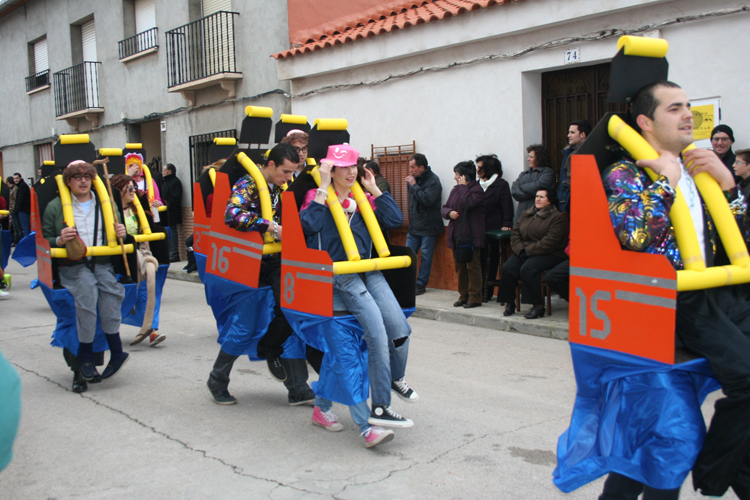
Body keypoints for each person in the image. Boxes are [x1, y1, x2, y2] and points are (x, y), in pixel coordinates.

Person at [600, 81, 750, 500]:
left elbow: (736, 240)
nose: (687, 113)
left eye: (688, 105)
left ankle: (718, 467)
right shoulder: (625, 172)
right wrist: (665, 182)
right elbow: (635, 237)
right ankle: (712, 470)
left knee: (654, 444)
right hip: (665, 307)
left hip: (718, 296)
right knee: (663, 440)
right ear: (646, 122)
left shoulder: (702, 166)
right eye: (674, 108)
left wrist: (729, 189)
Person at [300, 144, 417, 447]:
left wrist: (375, 189)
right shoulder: (317, 197)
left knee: (399, 331)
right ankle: (370, 423)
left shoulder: (362, 199)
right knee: (354, 352)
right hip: (340, 278)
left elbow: (393, 220)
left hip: (370, 273)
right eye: (344, 166)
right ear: (331, 169)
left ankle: (325, 406)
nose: (351, 171)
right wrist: (324, 187)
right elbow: (308, 226)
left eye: (354, 165)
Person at [207, 143, 316, 407]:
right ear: (270, 165)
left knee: (291, 311)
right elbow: (231, 214)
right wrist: (266, 224)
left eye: (293, 172)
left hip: (277, 260)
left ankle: (296, 386)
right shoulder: (248, 183)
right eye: (285, 172)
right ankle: (217, 379)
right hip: (249, 262)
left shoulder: (283, 187)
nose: (289, 177)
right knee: (244, 326)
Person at [42, 161, 129, 391]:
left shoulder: (107, 203)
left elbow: (123, 232)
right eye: (77, 176)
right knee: (87, 296)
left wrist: (123, 232)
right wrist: (59, 239)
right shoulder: (55, 206)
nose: (83, 180)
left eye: (87, 176)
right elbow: (44, 239)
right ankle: (85, 360)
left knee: (112, 297)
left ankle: (117, 351)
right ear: (68, 180)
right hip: (74, 266)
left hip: (102, 264)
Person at [111, 174, 166, 347]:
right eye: (129, 188)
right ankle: (106, 331)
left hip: (139, 255)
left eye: (134, 187)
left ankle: (150, 330)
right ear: (119, 190)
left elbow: (148, 228)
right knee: (119, 297)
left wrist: (146, 249)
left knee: (147, 291)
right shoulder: (111, 211)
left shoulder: (138, 207)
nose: (133, 191)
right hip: (119, 258)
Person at [497, 188, 568, 319]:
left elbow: (550, 241)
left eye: (542, 197)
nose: (538, 199)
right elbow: (515, 233)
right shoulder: (527, 213)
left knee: (528, 269)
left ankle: (538, 306)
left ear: (549, 201)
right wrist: (521, 249)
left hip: (550, 253)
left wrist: (528, 251)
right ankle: (509, 302)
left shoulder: (556, 217)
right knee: (508, 268)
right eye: (537, 196)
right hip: (525, 250)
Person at [442, 160, 485, 309]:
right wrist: (449, 213)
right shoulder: (455, 190)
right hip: (457, 235)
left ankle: (475, 297)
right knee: (460, 267)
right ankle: (463, 296)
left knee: (472, 268)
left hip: (471, 236)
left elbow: (468, 203)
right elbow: (445, 207)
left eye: (457, 175)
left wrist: (462, 188)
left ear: (464, 177)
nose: (455, 178)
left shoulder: (477, 190)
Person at [475, 154, 513, 301]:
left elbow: (507, 207)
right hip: (478, 229)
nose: (477, 170)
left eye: (480, 167)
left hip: (494, 229)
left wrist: (507, 224)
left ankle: (488, 292)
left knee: (492, 260)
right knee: (479, 260)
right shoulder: (476, 184)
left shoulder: (501, 185)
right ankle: (479, 289)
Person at [405, 153, 444, 295]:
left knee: (426, 256)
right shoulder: (413, 180)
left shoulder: (433, 180)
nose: (411, 170)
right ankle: (406, 282)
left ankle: (421, 284)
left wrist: (414, 185)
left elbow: (427, 200)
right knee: (408, 254)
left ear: (422, 167)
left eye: (413, 167)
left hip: (429, 226)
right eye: (410, 167)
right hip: (414, 226)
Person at [511, 145, 555, 224]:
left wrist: (522, 188)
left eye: (531, 157)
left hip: (538, 215)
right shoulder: (524, 173)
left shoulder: (547, 172)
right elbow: (514, 191)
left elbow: (539, 186)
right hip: (521, 214)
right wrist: (531, 193)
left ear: (539, 158)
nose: (528, 159)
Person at [557, 119, 592, 213]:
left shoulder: (589, 155)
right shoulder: (568, 154)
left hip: (581, 205)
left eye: (572, 132)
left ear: (582, 135)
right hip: (567, 204)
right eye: (569, 132)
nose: (568, 135)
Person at [125, 153, 163, 220]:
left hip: (149, 215)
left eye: (137, 165)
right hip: (133, 215)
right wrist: (129, 175)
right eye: (131, 166)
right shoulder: (126, 181)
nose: (135, 168)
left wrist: (157, 203)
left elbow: (157, 198)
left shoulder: (149, 181)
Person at [161, 163, 183, 262]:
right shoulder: (166, 182)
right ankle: (169, 253)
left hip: (172, 212)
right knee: (168, 232)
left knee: (173, 232)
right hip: (165, 212)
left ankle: (174, 254)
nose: (163, 172)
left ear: (169, 171)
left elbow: (175, 198)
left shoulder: (175, 182)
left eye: (164, 170)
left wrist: (168, 206)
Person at [12, 173, 30, 238]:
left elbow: (20, 199)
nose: (15, 180)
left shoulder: (22, 186)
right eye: (14, 178)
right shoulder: (22, 186)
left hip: (23, 210)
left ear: (20, 178)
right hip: (23, 210)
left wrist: (16, 210)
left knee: (24, 228)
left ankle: (26, 242)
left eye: (16, 178)